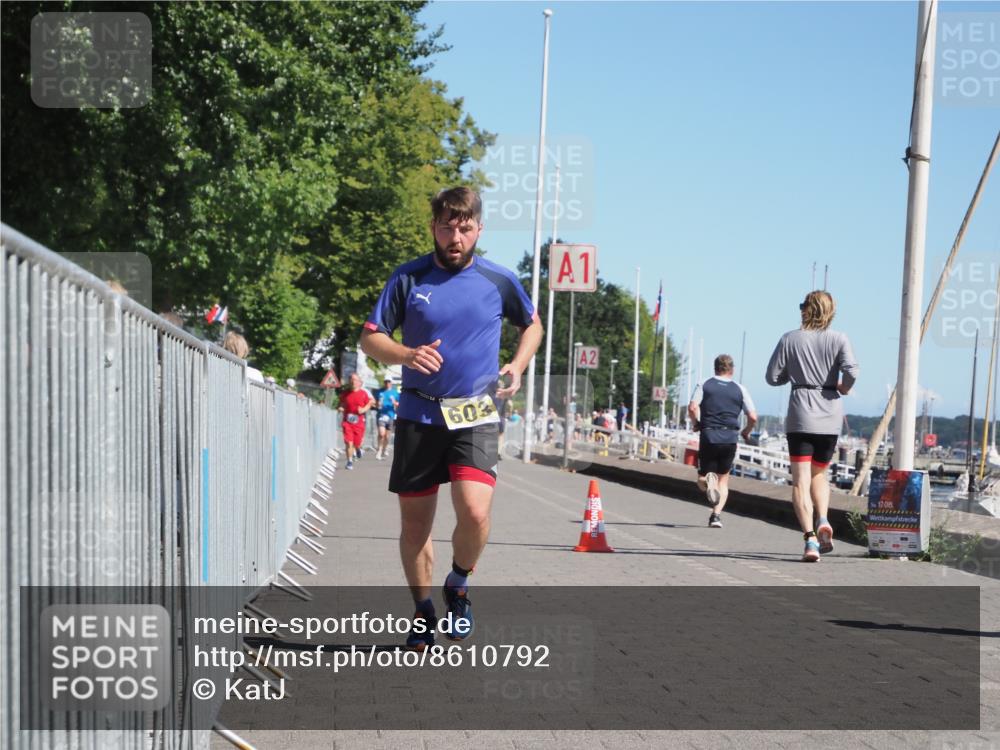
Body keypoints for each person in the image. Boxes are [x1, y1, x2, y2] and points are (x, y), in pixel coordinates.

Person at [359, 186, 542, 649]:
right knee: (416, 526)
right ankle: (422, 612)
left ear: (479, 229)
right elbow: (370, 338)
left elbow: (533, 324)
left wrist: (517, 367)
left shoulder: (498, 280)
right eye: (446, 227)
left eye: (464, 228)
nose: (455, 237)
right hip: (419, 410)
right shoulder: (408, 277)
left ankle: (458, 582)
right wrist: (405, 353)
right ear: (433, 228)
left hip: (475, 410)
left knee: (476, 512)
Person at [766, 290, 859, 562]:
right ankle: (823, 518)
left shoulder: (789, 339)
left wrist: (791, 374)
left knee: (800, 481)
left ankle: (810, 540)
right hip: (830, 416)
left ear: (806, 310)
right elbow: (852, 370)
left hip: (800, 415)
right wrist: (842, 386)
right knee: (820, 475)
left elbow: (772, 377)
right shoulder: (839, 339)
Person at [688, 354, 758, 529]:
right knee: (724, 481)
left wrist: (696, 423)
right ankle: (716, 516)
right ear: (731, 370)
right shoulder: (740, 389)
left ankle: (708, 482)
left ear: (715, 368)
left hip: (709, 435)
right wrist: (746, 432)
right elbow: (753, 416)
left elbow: (692, 407)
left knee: (702, 478)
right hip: (729, 438)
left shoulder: (705, 384)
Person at [339, 372, 375, 470]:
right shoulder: (345, 393)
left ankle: (358, 449)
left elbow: (371, 403)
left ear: (359, 382)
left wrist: (363, 409)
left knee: (357, 443)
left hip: (359, 422)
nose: (353, 381)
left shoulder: (363, 393)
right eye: (351, 379)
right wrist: (341, 408)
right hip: (347, 422)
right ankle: (349, 461)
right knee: (348, 442)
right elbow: (342, 404)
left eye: (355, 379)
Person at [376, 377, 400, 460]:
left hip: (391, 415)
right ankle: (379, 450)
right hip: (381, 415)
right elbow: (375, 403)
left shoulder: (395, 393)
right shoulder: (380, 392)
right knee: (381, 434)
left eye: (389, 382)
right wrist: (377, 404)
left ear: (391, 383)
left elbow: (399, 404)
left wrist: (394, 403)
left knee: (387, 436)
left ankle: (385, 448)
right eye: (386, 381)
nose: (387, 383)